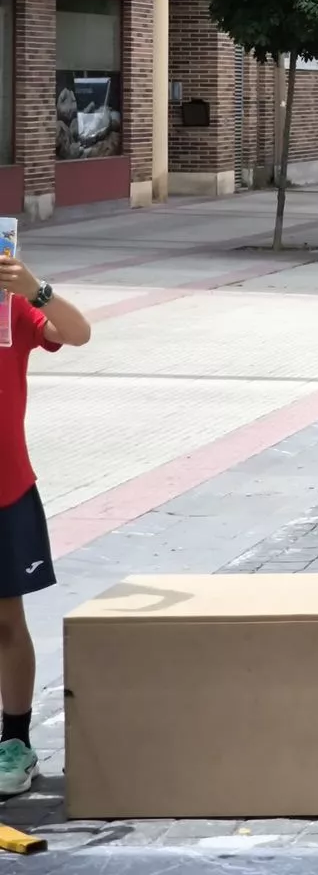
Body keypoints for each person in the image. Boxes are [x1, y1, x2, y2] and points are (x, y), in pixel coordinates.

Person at [0, 245, 89, 799]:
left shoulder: (12, 308)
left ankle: (15, 743)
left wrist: (35, 288)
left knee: (7, 623)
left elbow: (78, 333)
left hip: (6, 490)